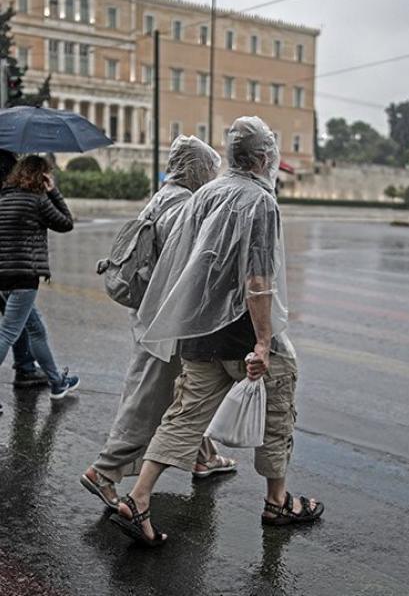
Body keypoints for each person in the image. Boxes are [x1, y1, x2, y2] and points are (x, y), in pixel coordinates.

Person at [111, 117, 323, 546]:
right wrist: (264, 342)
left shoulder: (205, 194)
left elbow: (186, 261)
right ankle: (277, 502)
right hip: (244, 333)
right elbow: (258, 280)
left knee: (184, 418)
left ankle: (137, 498)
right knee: (277, 410)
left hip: (199, 333)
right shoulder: (260, 203)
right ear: (264, 159)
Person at [80, 136, 232, 511]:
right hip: (165, 319)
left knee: (186, 388)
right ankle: (105, 470)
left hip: (152, 313)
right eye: (209, 170)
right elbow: (188, 269)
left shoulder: (162, 196)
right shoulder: (185, 207)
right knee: (150, 397)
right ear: (196, 169)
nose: (212, 177)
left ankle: (204, 455)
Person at [0, 155, 79, 404]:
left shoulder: (3, 198)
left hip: (2, 278)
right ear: (41, 176)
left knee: (36, 329)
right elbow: (66, 223)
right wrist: (53, 191)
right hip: (25, 277)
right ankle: (56, 382)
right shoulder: (37, 201)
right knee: (8, 334)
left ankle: (57, 382)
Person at [0, 150, 49, 395]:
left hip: (8, 263)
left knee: (23, 322)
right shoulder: (5, 162)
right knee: (10, 327)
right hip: (14, 265)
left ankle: (28, 367)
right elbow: (64, 221)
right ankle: (27, 368)